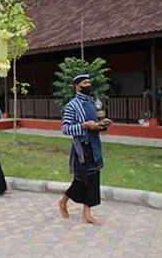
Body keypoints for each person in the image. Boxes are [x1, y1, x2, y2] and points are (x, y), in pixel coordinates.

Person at [58, 74, 113, 225]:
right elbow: (65, 129)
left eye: (89, 82)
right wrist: (84, 126)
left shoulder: (92, 103)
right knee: (81, 180)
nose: (88, 85)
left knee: (94, 179)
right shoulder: (72, 105)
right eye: (85, 82)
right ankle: (63, 201)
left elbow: (96, 124)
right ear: (77, 86)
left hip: (94, 146)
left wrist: (104, 124)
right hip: (81, 148)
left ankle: (87, 214)